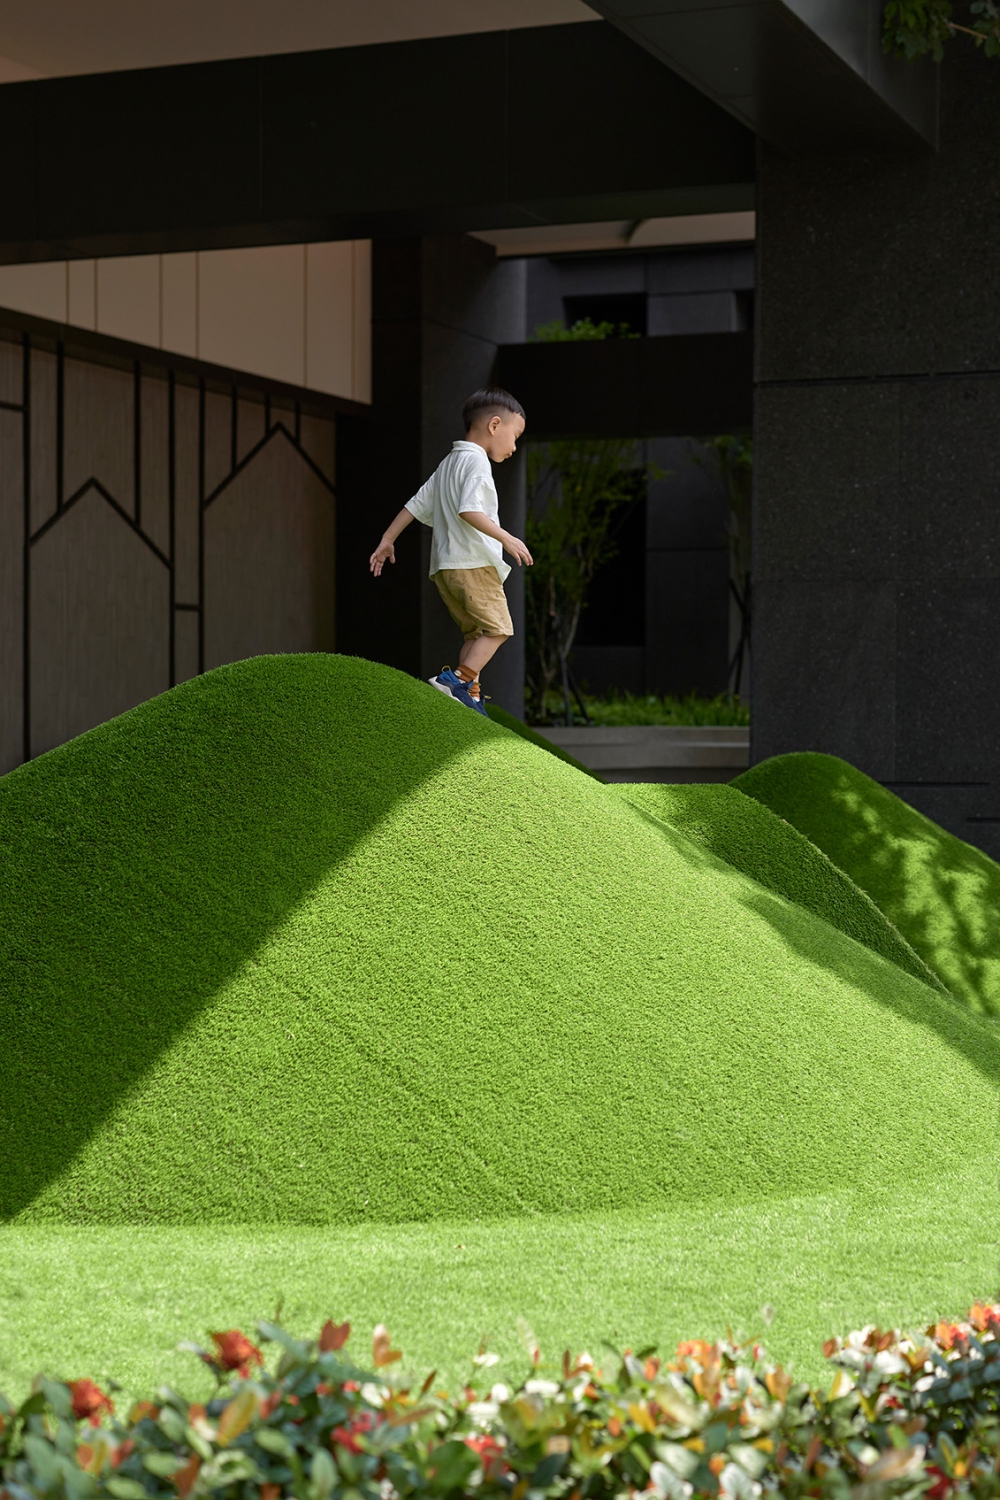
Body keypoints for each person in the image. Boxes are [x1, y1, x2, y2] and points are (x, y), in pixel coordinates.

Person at [369, 387, 532, 715]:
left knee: (475, 633)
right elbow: (469, 510)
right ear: (494, 425)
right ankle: (456, 681)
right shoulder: (477, 462)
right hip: (473, 564)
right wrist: (506, 538)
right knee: (499, 628)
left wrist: (388, 538)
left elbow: (415, 505)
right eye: (515, 436)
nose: (515, 447)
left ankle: (470, 696)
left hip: (445, 569)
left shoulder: (449, 463)